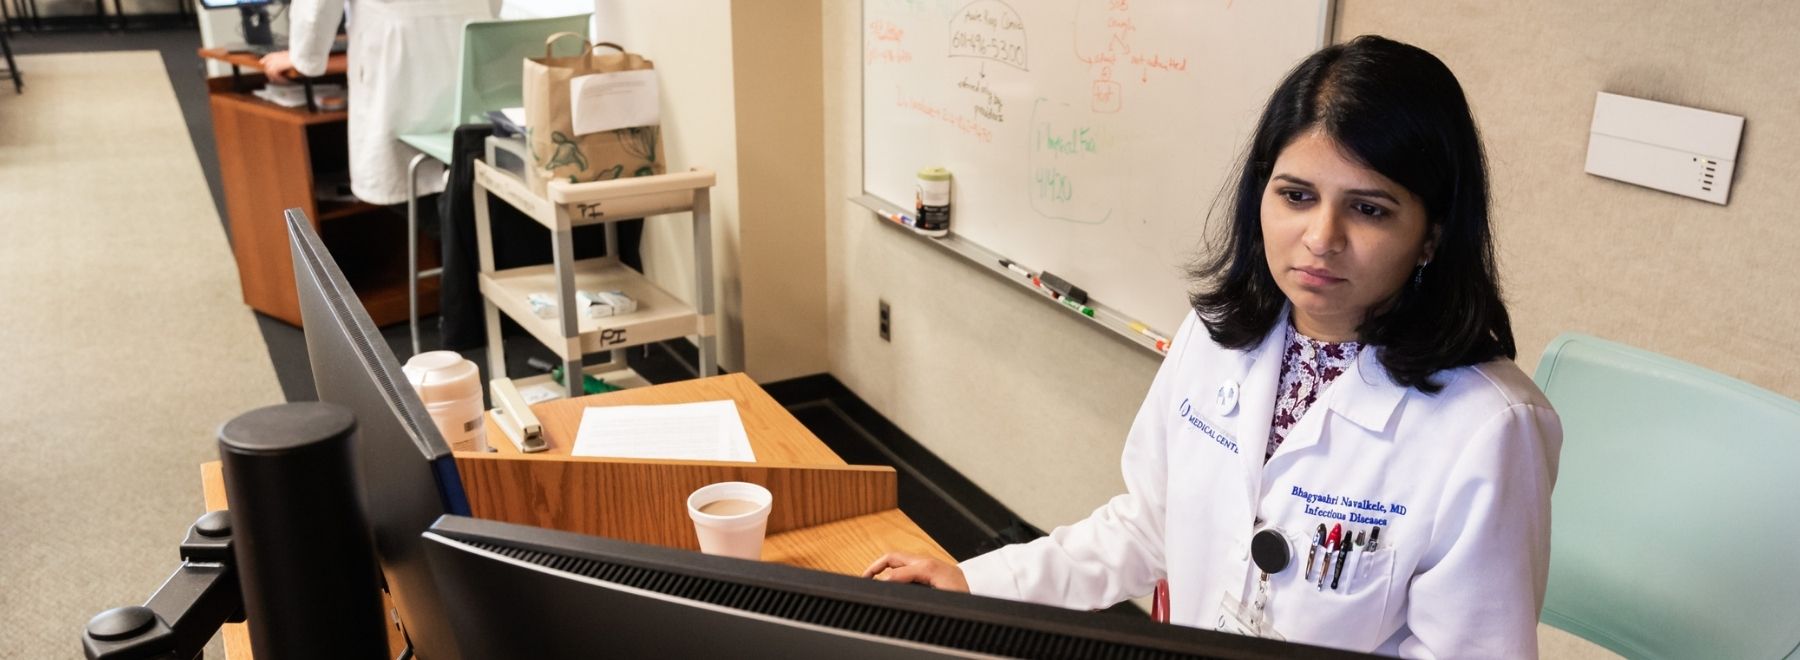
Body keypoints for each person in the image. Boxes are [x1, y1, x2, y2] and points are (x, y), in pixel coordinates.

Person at [863, 35, 1563, 658]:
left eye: (1370, 208)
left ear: (1432, 234)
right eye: (1296, 195)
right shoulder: (1218, 336)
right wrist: (976, 580)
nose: (1322, 237)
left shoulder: (1489, 428)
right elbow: (1148, 526)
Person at [259, 0, 491, 205]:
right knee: (469, 173)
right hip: (471, 41)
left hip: (398, 59)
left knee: (406, 181)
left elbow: (315, 9)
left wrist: (303, 56)